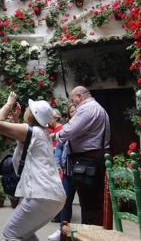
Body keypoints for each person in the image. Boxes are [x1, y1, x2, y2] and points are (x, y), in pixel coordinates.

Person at [0, 92, 66, 241]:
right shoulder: (41, 133)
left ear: (32, 114)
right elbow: (23, 142)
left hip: (42, 195)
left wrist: (9, 103)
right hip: (53, 196)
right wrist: (16, 118)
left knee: (10, 232)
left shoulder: (33, 133)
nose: (26, 108)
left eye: (29, 108)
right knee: (24, 234)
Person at [53, 86, 110, 226]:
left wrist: (55, 135)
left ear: (79, 96)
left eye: (73, 100)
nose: (73, 104)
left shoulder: (87, 108)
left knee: (90, 202)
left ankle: (91, 233)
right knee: (92, 201)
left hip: (89, 159)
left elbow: (69, 130)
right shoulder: (95, 107)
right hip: (92, 158)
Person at [48, 104, 77, 241]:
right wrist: (57, 162)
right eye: (72, 111)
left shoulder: (84, 125)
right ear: (69, 114)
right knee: (65, 201)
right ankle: (62, 232)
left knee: (86, 203)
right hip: (67, 169)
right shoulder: (66, 128)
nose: (74, 112)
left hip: (82, 168)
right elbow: (59, 146)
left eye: (76, 109)